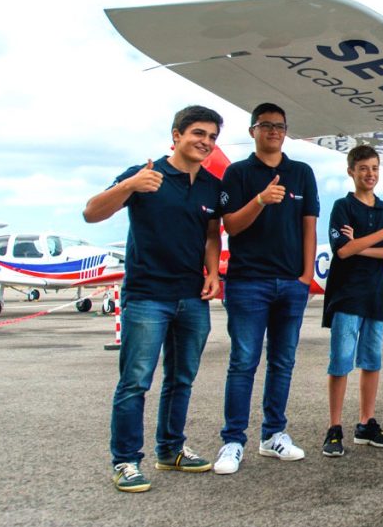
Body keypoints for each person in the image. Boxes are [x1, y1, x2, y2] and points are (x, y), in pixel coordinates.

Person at [83, 105, 223, 493]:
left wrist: (213, 272)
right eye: (198, 133)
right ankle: (125, 461)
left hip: (191, 297)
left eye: (212, 137)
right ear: (176, 135)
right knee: (135, 382)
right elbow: (91, 213)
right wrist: (129, 186)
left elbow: (212, 234)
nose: (205, 142)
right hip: (147, 296)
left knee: (181, 379)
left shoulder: (211, 185)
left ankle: (171, 450)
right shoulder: (145, 174)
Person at [212, 103, 319, 475]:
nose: (274, 131)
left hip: (291, 283)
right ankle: (233, 440)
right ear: (252, 131)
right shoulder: (237, 173)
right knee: (243, 362)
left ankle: (274, 434)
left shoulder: (301, 173)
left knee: (283, 362)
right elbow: (231, 226)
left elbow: (309, 226)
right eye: (266, 125)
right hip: (248, 282)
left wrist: (305, 276)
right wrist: (260, 200)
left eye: (280, 126)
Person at [320, 145, 383, 457]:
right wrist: (381, 234)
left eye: (375, 168)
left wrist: (359, 244)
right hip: (346, 296)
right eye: (364, 168)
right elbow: (342, 250)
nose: (370, 174)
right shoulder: (342, 206)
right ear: (351, 171)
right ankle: (334, 427)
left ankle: (366, 423)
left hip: (375, 296)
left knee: (371, 361)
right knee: (341, 361)